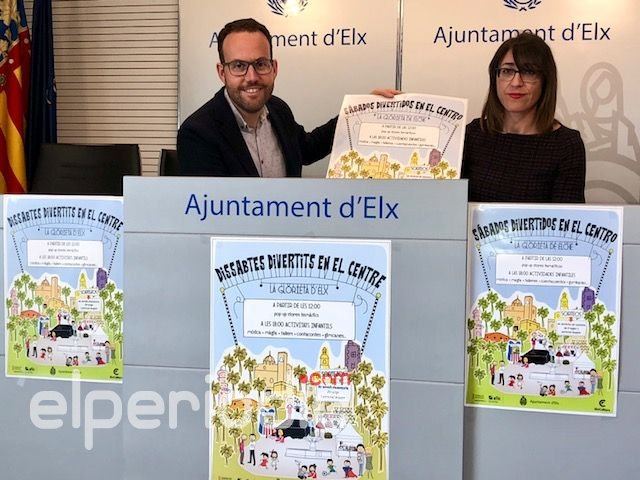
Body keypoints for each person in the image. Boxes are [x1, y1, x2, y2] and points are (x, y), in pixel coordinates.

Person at [178, 18, 397, 177]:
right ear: (222, 72)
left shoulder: (278, 109)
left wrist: (359, 112)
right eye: (238, 66)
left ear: (274, 68)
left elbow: (308, 148)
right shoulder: (197, 133)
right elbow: (212, 216)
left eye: (261, 64)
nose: (252, 77)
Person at [461, 32, 585, 202]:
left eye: (528, 72)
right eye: (507, 71)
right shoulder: (472, 134)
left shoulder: (566, 145)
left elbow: (568, 217)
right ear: (495, 78)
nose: (516, 82)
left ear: (545, 81)